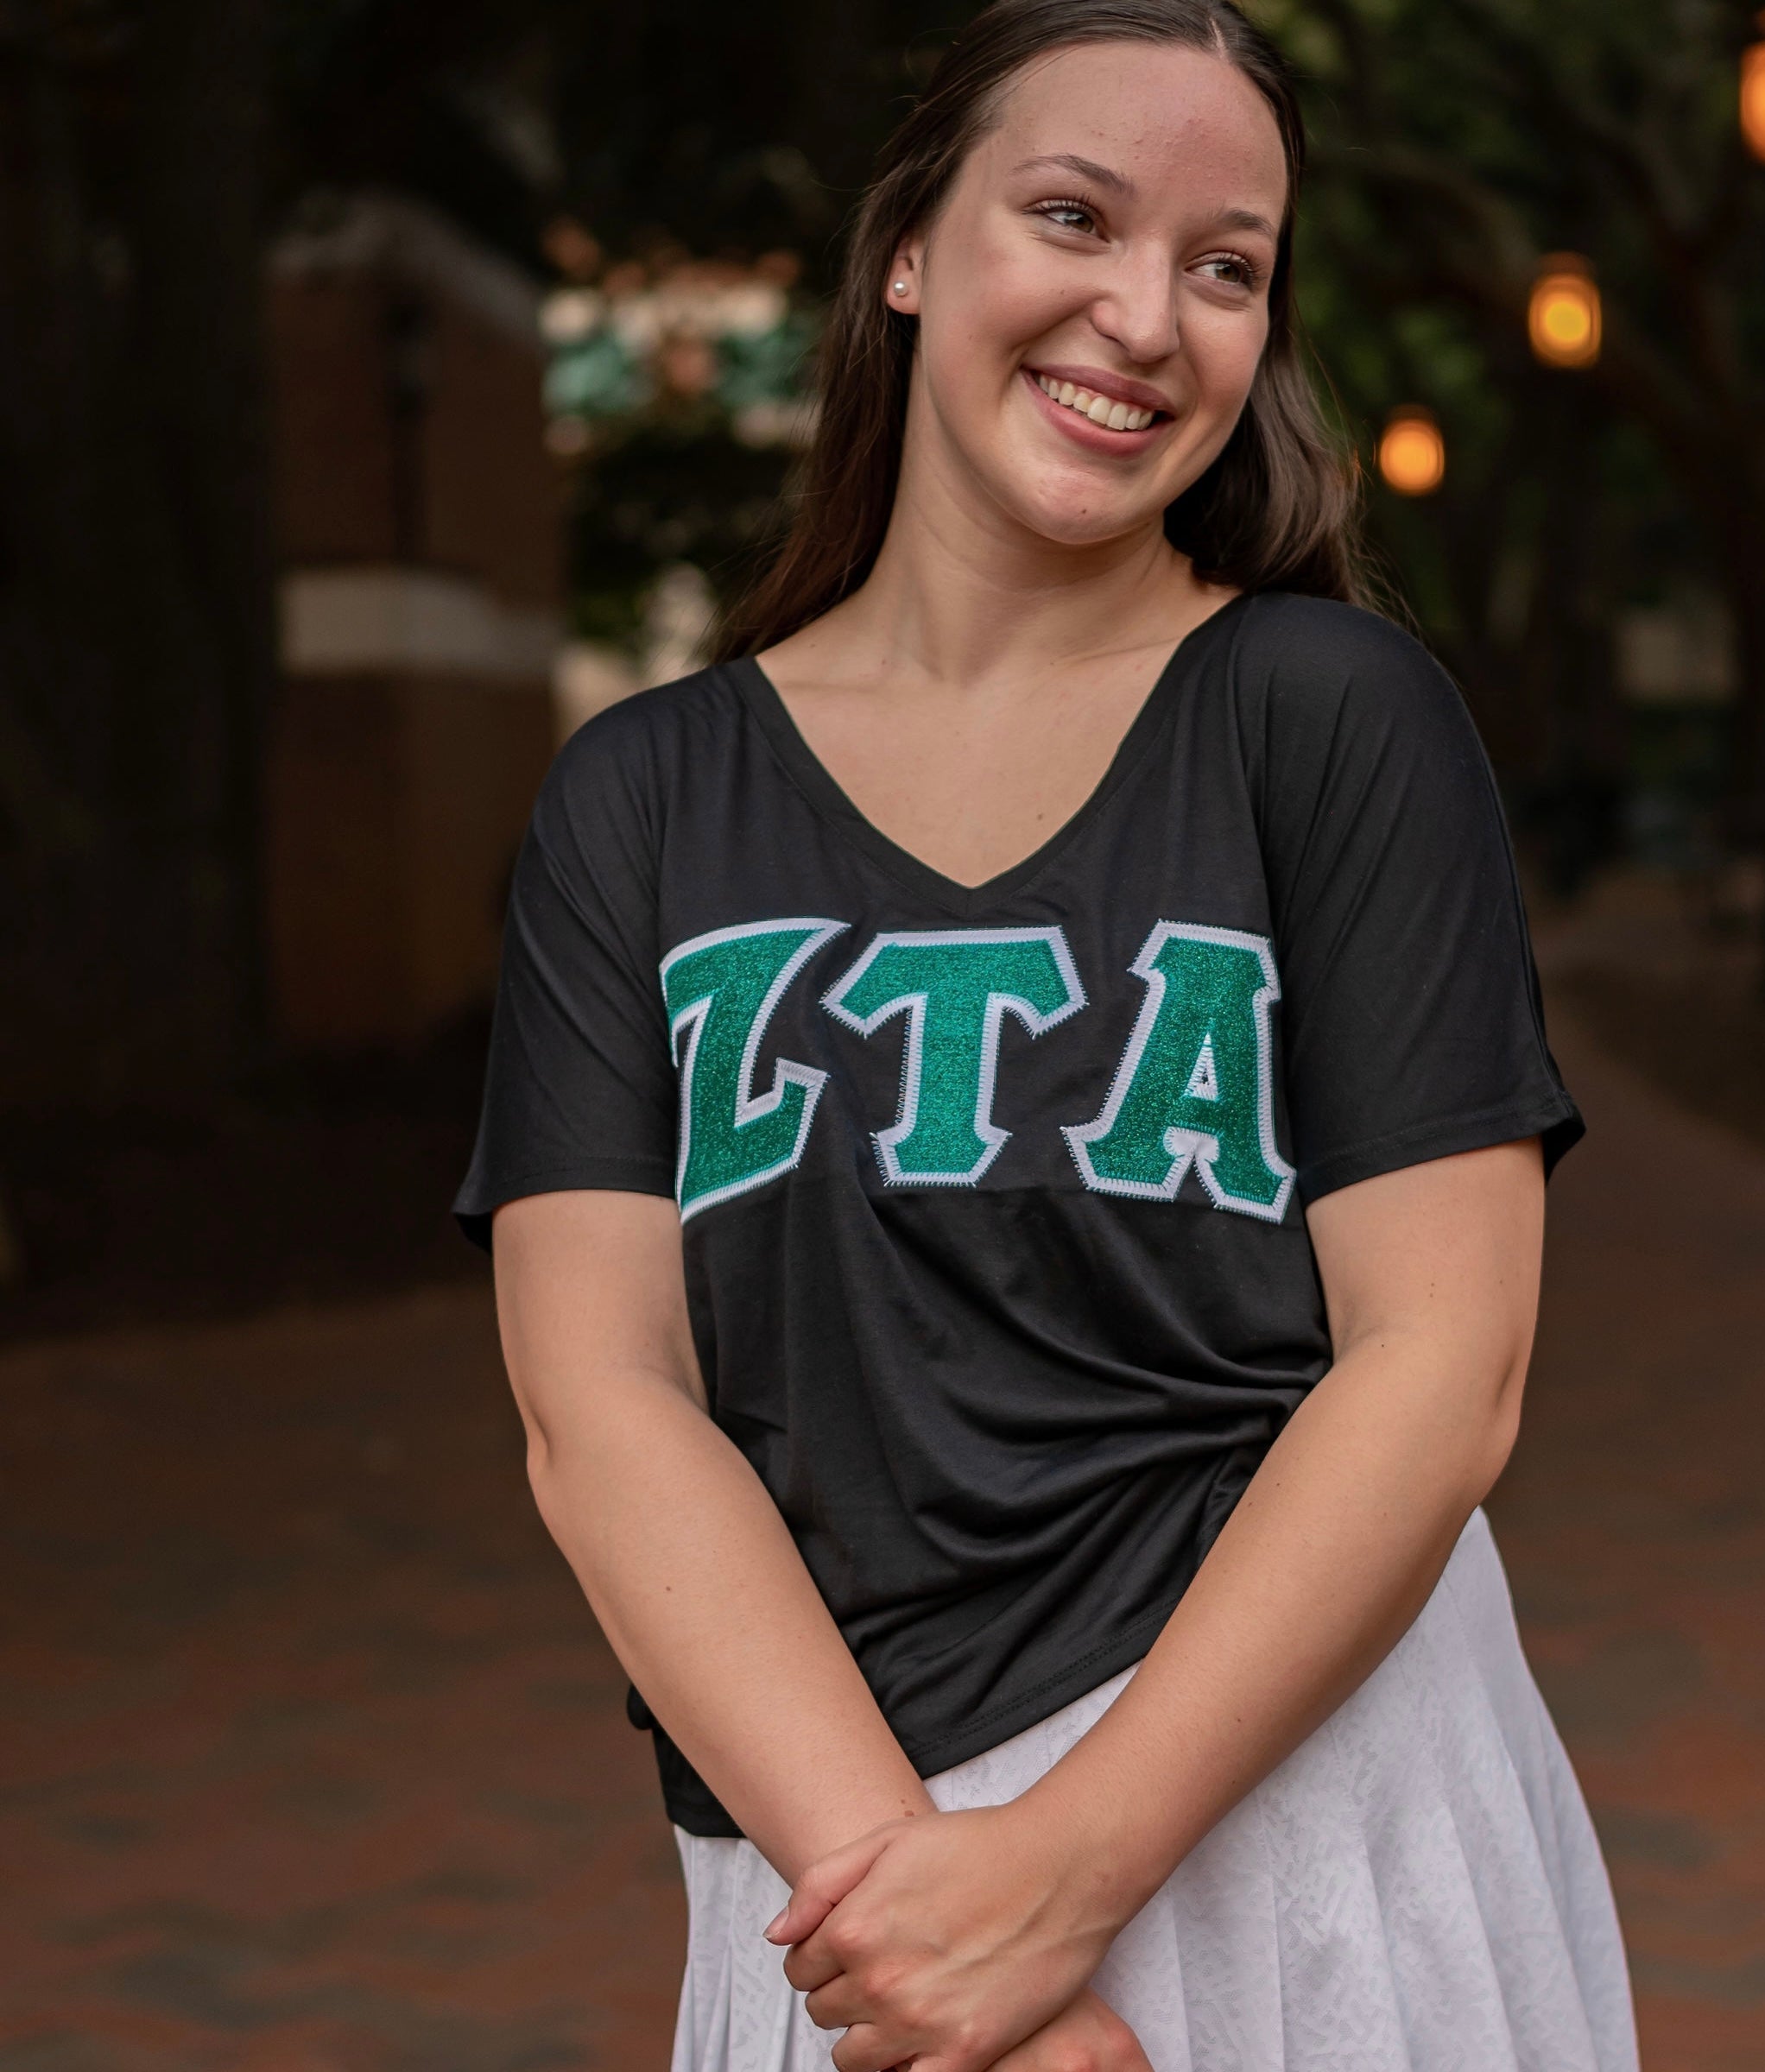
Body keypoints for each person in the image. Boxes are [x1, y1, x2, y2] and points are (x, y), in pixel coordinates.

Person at [456, 3, 1638, 2066]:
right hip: (846, 1904)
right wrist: (958, 1965)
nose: (1146, 316)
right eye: (1073, 214)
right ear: (910, 246)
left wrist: (1073, 1873)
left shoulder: (1329, 722)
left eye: (1226, 265)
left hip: (1304, 1837)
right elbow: (604, 1403)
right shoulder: (641, 799)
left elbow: (1446, 1366)